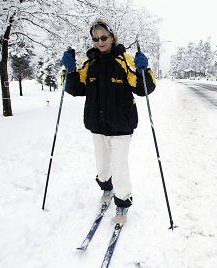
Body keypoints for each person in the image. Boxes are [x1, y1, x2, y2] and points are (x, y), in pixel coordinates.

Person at [61, 18, 156, 223]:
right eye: (95, 38)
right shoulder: (90, 63)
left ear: (112, 37)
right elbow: (76, 89)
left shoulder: (125, 60)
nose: (100, 42)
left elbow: (143, 89)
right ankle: (107, 189)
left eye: (104, 37)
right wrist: (69, 71)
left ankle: (122, 203)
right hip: (97, 125)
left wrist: (144, 70)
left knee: (119, 166)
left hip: (121, 125)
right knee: (103, 166)